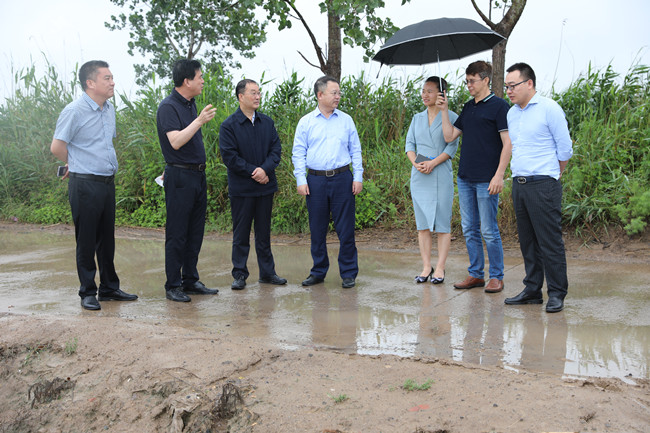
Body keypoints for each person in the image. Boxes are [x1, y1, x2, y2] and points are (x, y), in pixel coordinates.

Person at [50, 60, 138, 310]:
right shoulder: (74, 111)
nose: (112, 82)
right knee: (87, 239)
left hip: (106, 183)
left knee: (106, 239)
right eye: (106, 78)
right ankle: (88, 292)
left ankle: (109, 288)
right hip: (85, 184)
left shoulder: (109, 109)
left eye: (112, 78)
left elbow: (102, 144)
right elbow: (57, 147)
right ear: (90, 83)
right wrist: (75, 162)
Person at [503, 62, 573, 313]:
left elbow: (565, 148)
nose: (509, 91)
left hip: (543, 184)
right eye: (506, 87)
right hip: (519, 183)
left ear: (529, 83)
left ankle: (556, 293)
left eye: (513, 85)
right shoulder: (512, 114)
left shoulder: (549, 108)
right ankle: (532, 290)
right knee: (528, 241)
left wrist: (553, 174)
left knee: (549, 241)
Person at [438, 61, 512, 293]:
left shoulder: (500, 106)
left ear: (485, 80)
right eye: (466, 81)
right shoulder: (468, 107)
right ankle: (476, 274)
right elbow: (449, 136)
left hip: (487, 179)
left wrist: (499, 175)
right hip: (465, 178)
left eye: (472, 81)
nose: (469, 85)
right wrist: (444, 110)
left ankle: (496, 276)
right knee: (469, 228)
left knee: (488, 230)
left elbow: (508, 143)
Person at [156, 59, 219, 302]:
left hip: (197, 175)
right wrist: (199, 121)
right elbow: (175, 141)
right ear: (186, 80)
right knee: (177, 232)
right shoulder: (168, 107)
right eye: (199, 77)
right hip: (180, 177)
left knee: (195, 231)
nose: (202, 81)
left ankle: (190, 280)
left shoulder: (190, 104)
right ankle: (173, 285)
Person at [292, 76, 363, 289]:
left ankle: (348, 273)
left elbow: (356, 150)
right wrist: (300, 179)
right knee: (317, 229)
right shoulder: (306, 122)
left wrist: (358, 177)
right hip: (315, 180)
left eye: (339, 93)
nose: (338, 96)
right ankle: (318, 271)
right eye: (334, 93)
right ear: (320, 95)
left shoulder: (346, 120)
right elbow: (298, 152)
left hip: (342, 178)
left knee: (346, 229)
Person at [219, 79, 286, 290]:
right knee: (241, 234)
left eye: (259, 93)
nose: (257, 97)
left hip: (265, 186)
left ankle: (267, 273)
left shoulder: (267, 122)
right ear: (241, 96)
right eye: (253, 93)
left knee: (264, 233)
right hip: (242, 189)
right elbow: (230, 157)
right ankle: (239, 274)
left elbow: (276, 150)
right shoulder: (229, 125)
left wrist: (264, 170)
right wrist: (254, 172)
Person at [405, 76, 459, 285]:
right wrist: (417, 163)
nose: (425, 95)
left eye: (430, 91)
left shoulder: (452, 117)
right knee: (423, 225)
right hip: (420, 175)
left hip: (440, 173)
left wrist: (433, 163)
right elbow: (409, 145)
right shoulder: (417, 118)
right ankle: (426, 266)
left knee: (442, 223)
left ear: (441, 93)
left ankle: (440, 268)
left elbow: (451, 147)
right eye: (423, 91)